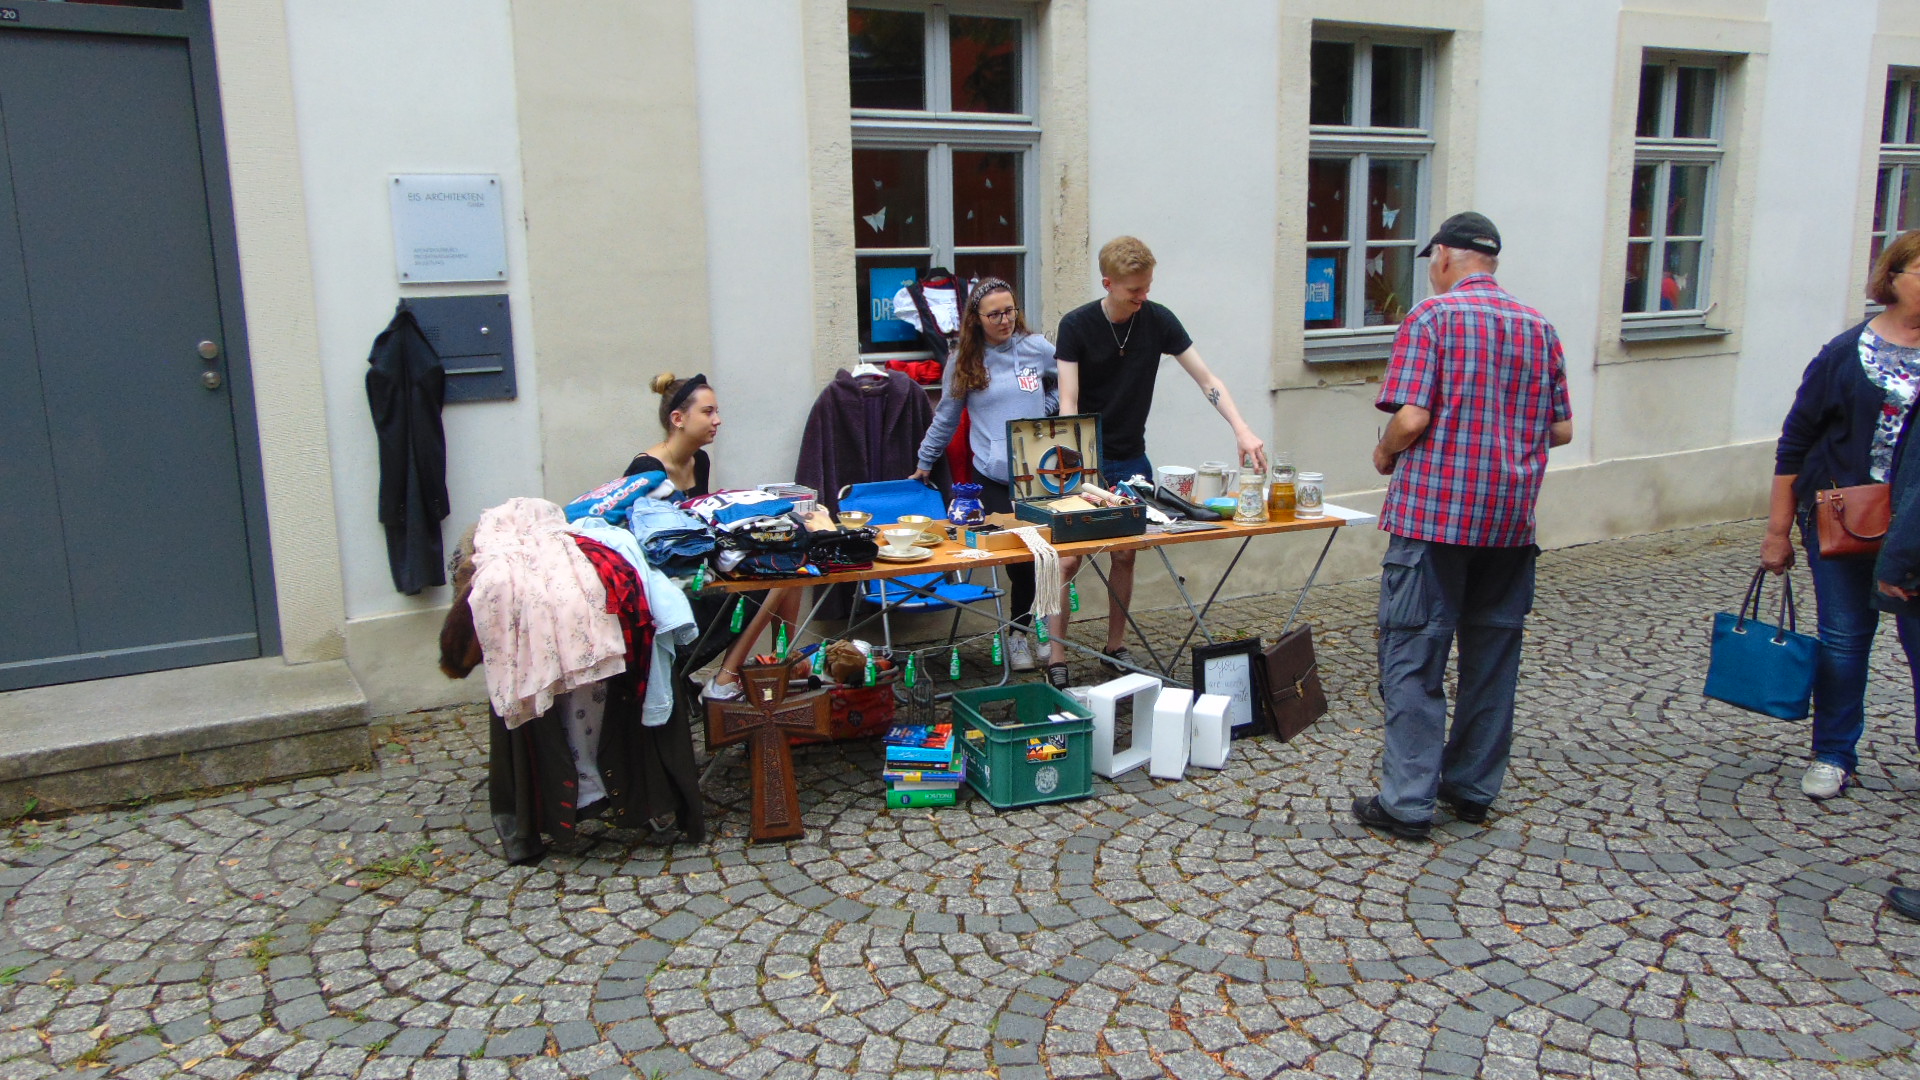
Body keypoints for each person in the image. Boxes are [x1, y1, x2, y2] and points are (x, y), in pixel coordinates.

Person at [1351, 212, 1573, 841]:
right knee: (1492, 659)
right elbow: (1561, 430)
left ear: (1445, 256)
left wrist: (1385, 451)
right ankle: (1472, 789)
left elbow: (1413, 416)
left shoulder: (1434, 317)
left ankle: (1407, 802)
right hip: (1510, 524)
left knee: (1414, 654)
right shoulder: (1540, 327)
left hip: (1436, 519)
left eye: (1431, 259)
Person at [1046, 236, 1268, 688]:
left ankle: (1115, 647)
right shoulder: (1076, 325)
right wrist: (1079, 467)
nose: (1143, 297)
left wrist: (1240, 427)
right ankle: (1056, 655)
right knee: (1066, 561)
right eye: (1134, 290)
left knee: (1126, 555)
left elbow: (1206, 378)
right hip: (1085, 457)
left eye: (1147, 287)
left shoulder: (1158, 320)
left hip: (1132, 455)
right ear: (1108, 283)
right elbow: (1067, 400)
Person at [1771, 230, 1920, 799]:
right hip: (1843, 517)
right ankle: (1834, 752)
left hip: (1916, 524)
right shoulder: (1844, 353)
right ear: (1893, 279)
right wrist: (1776, 530)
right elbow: (1794, 444)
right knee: (1844, 638)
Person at [909, 278, 1057, 670]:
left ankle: (1038, 629)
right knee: (1020, 558)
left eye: (1010, 311)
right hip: (991, 475)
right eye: (994, 315)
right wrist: (925, 462)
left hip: (1037, 475)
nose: (1005, 320)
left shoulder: (1037, 348)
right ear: (976, 318)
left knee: (1046, 557)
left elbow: (1067, 382)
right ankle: (1017, 634)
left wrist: (1050, 405)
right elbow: (946, 416)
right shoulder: (965, 360)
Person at [629, 372, 804, 702]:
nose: (718, 420)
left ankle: (786, 661)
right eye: (708, 412)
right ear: (678, 419)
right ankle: (725, 679)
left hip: (703, 567)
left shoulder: (700, 460)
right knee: (777, 576)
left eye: (716, 411)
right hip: (671, 587)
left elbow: (704, 521)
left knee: (789, 565)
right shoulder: (646, 470)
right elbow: (647, 546)